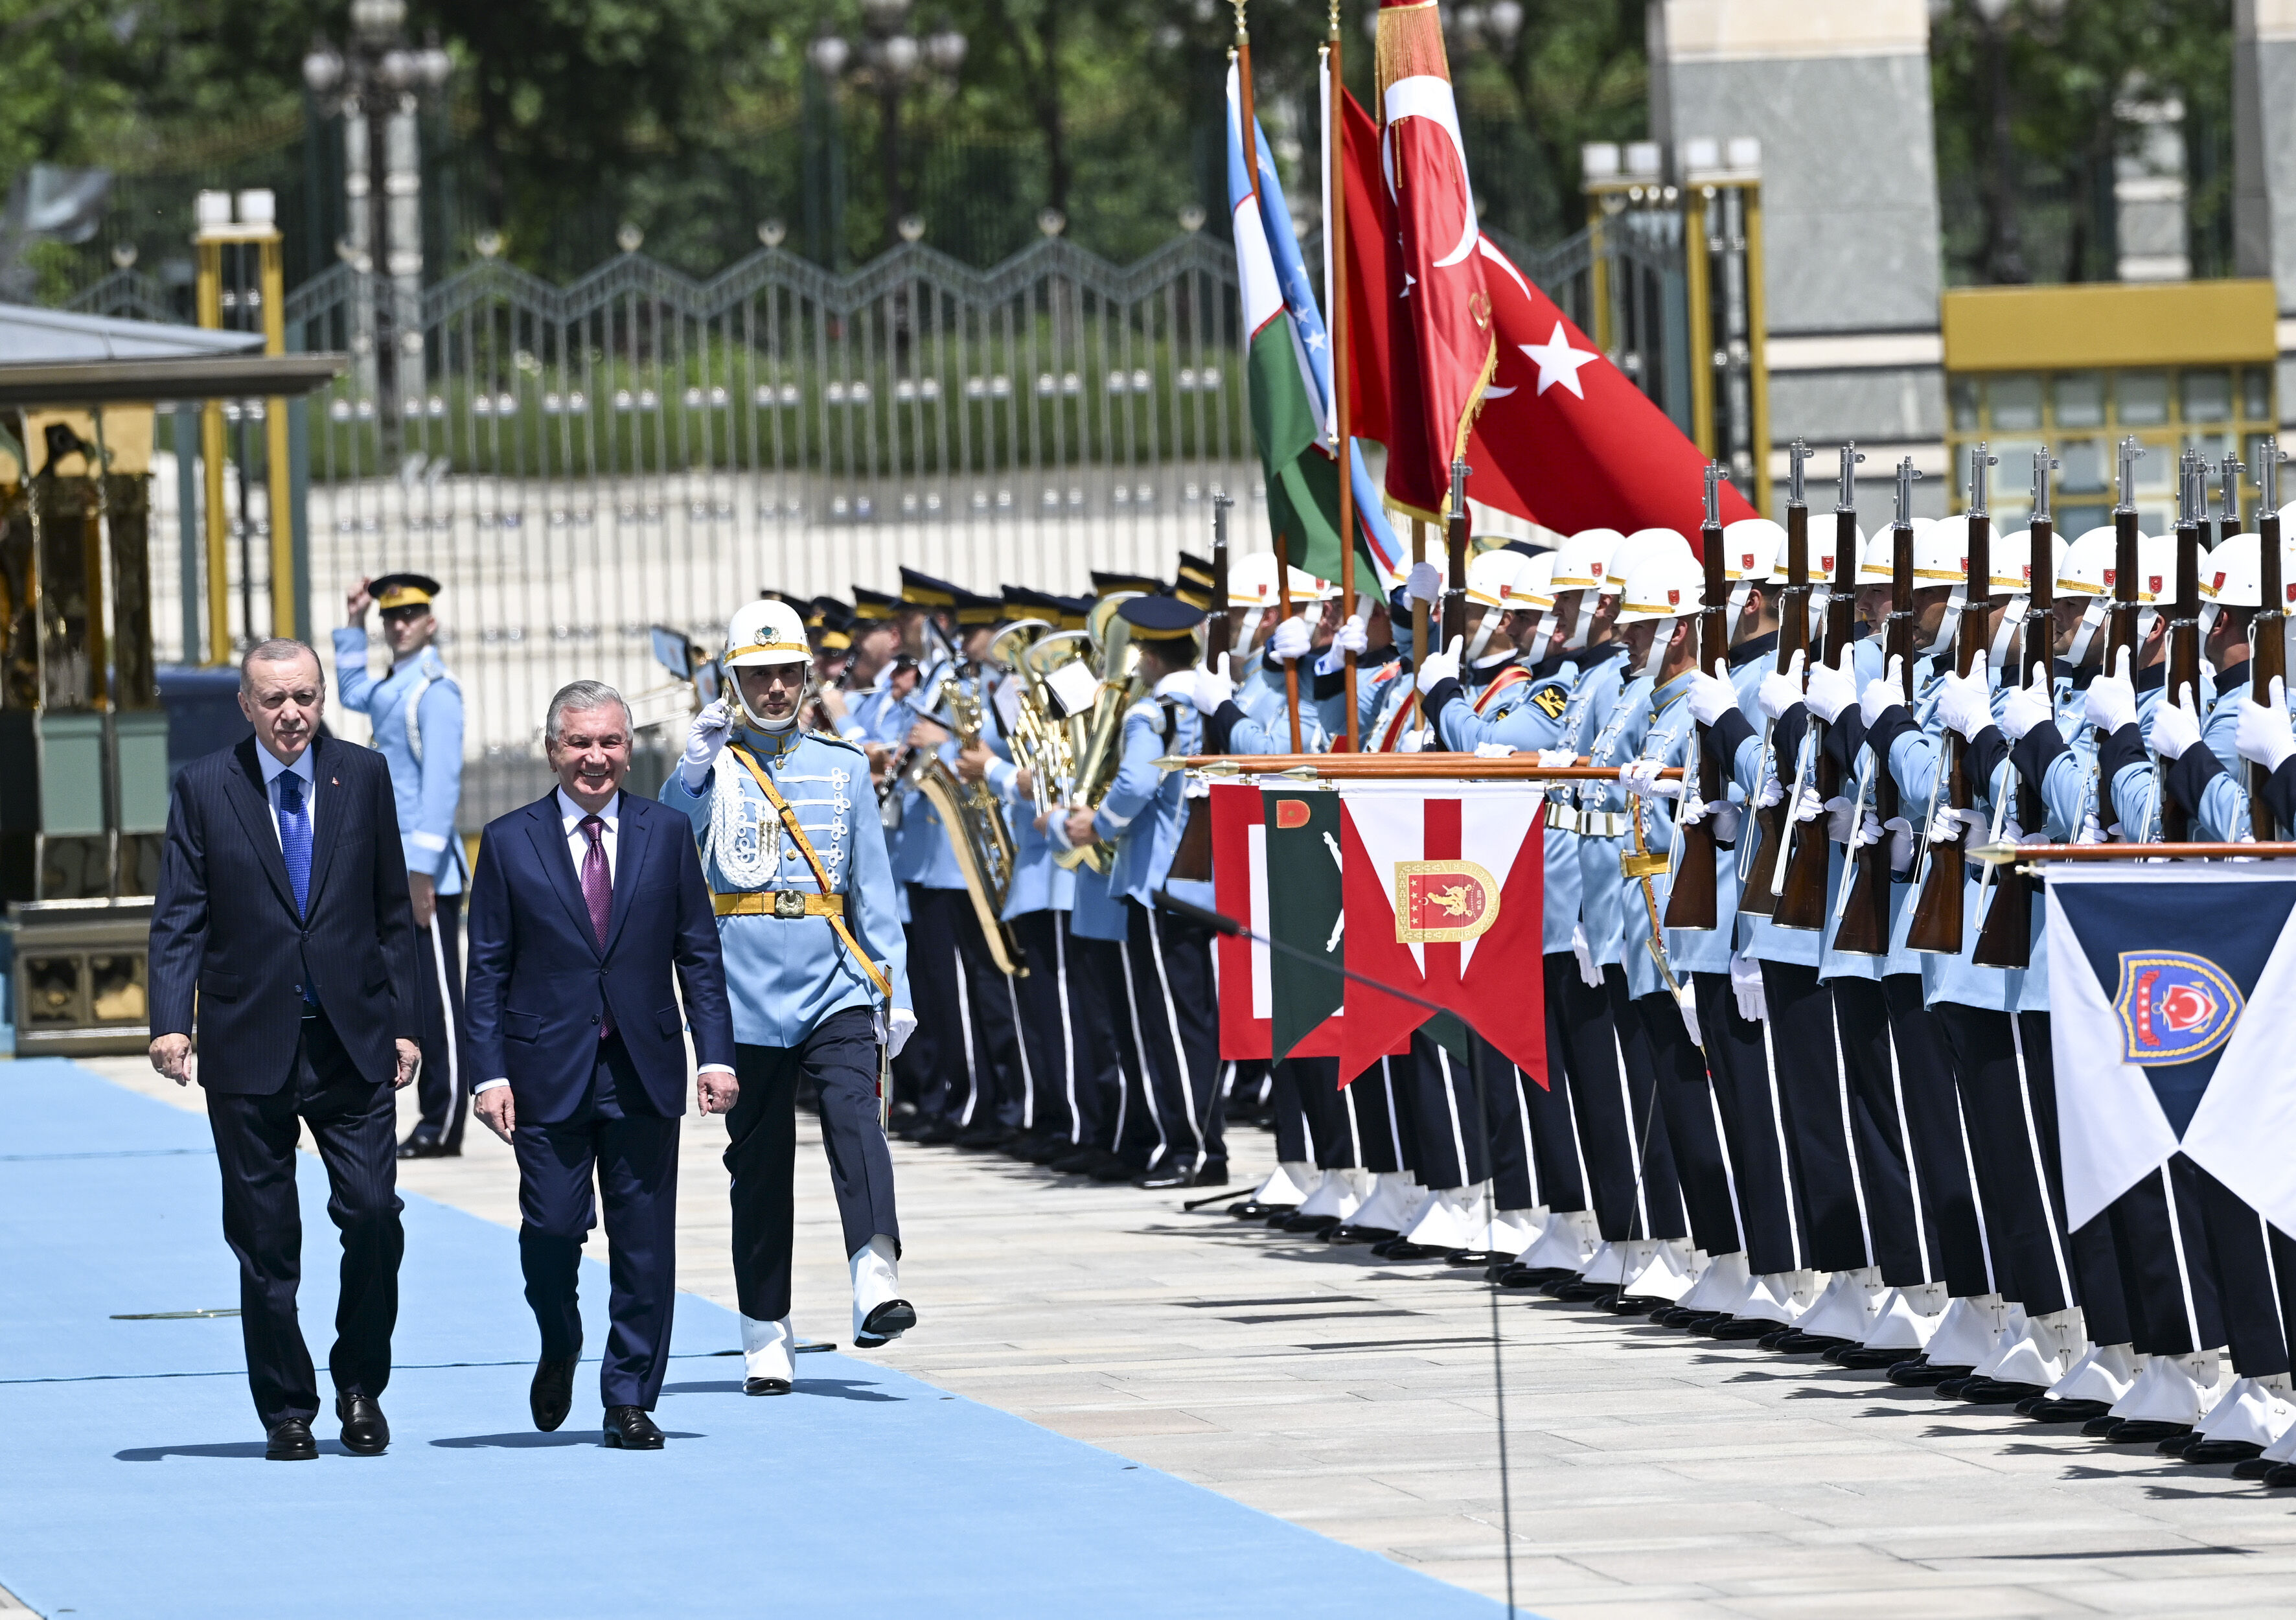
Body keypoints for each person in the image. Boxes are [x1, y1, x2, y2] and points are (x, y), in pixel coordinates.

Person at [147, 639, 425, 1462]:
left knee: (374, 1215)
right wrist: (171, 1018)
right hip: (247, 1043)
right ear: (246, 704)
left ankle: (359, 1382)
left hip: (351, 1040)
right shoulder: (205, 787)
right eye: (274, 700)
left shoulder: (363, 776)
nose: (291, 714)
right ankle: (287, 1410)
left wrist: (406, 1020)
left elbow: (388, 910)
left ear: (323, 696)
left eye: (304, 696)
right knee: (267, 1242)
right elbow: (179, 914)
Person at [464, 680, 738, 1450]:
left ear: (628, 747)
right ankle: (559, 1334)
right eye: (579, 743)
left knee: (645, 1241)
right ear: (552, 749)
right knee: (551, 1228)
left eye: (610, 742)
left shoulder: (666, 832)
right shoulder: (509, 840)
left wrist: (714, 1053)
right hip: (544, 1069)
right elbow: (485, 969)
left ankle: (628, 1396)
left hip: (643, 1065)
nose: (596, 758)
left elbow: (699, 956)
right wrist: (489, 1073)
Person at [664, 598, 916, 1396]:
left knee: (854, 1116)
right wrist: (693, 772)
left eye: (785, 674)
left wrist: (893, 985)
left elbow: (871, 885)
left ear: (806, 678)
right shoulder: (712, 765)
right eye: (757, 675)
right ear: (733, 680)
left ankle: (874, 1272)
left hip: (833, 974)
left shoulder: (841, 765)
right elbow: (667, 849)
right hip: (742, 988)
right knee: (760, 1164)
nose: (774, 689)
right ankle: (764, 1326)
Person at [334, 572, 470, 1159]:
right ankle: (429, 1116)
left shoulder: (435, 691)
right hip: (393, 869)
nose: (399, 624)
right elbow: (349, 691)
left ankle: (444, 1122)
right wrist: (352, 621)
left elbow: (442, 787)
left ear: (430, 621)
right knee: (408, 998)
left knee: (439, 1003)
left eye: (409, 615)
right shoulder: (397, 684)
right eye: (391, 617)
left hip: (426, 874)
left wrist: (421, 870)